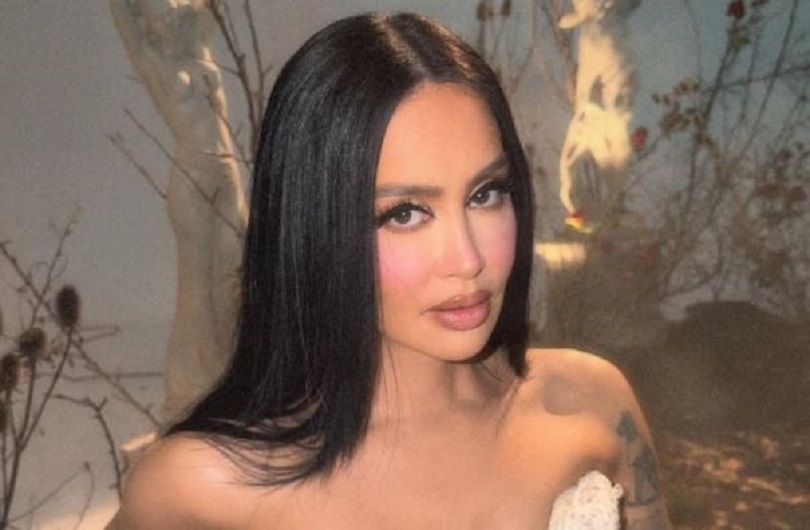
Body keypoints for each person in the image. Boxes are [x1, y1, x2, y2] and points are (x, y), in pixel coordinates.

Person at [108, 12, 671, 529]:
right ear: (315, 227)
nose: (468, 259)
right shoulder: (200, 486)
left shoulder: (591, 401)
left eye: (485, 194)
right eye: (405, 213)